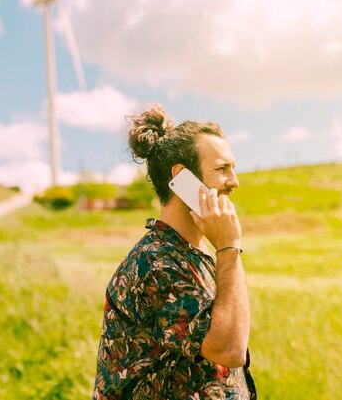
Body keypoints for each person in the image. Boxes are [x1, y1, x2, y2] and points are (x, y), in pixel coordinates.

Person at [92, 104, 256, 399]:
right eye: (222, 169)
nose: (235, 181)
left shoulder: (194, 254)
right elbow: (228, 349)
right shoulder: (157, 261)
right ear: (182, 178)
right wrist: (230, 248)